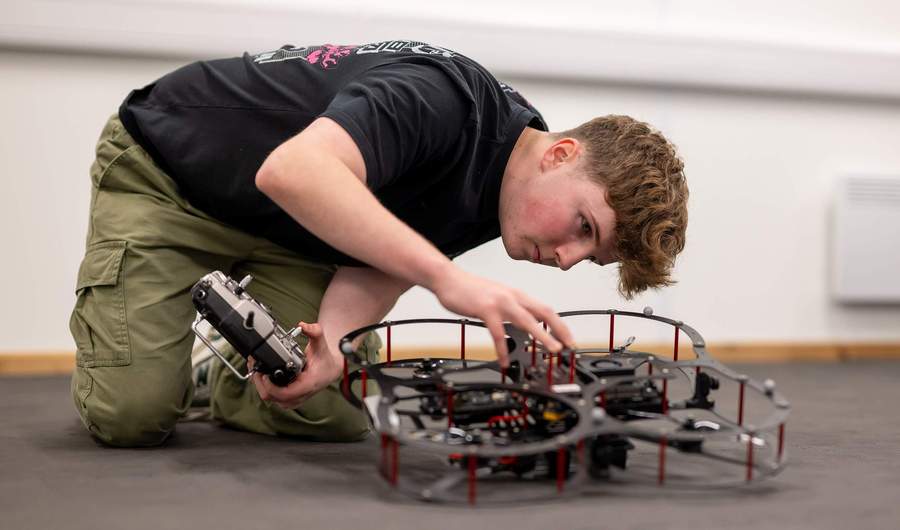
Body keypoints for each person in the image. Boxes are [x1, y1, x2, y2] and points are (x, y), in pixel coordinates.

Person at [69, 40, 688, 447]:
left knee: (330, 409)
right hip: (171, 179)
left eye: (590, 257)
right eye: (584, 227)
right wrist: (447, 280)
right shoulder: (442, 100)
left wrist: (334, 344)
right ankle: (158, 359)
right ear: (559, 154)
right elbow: (291, 172)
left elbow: (380, 261)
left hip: (291, 231)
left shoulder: (506, 197)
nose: (567, 258)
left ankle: (228, 378)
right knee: (134, 418)